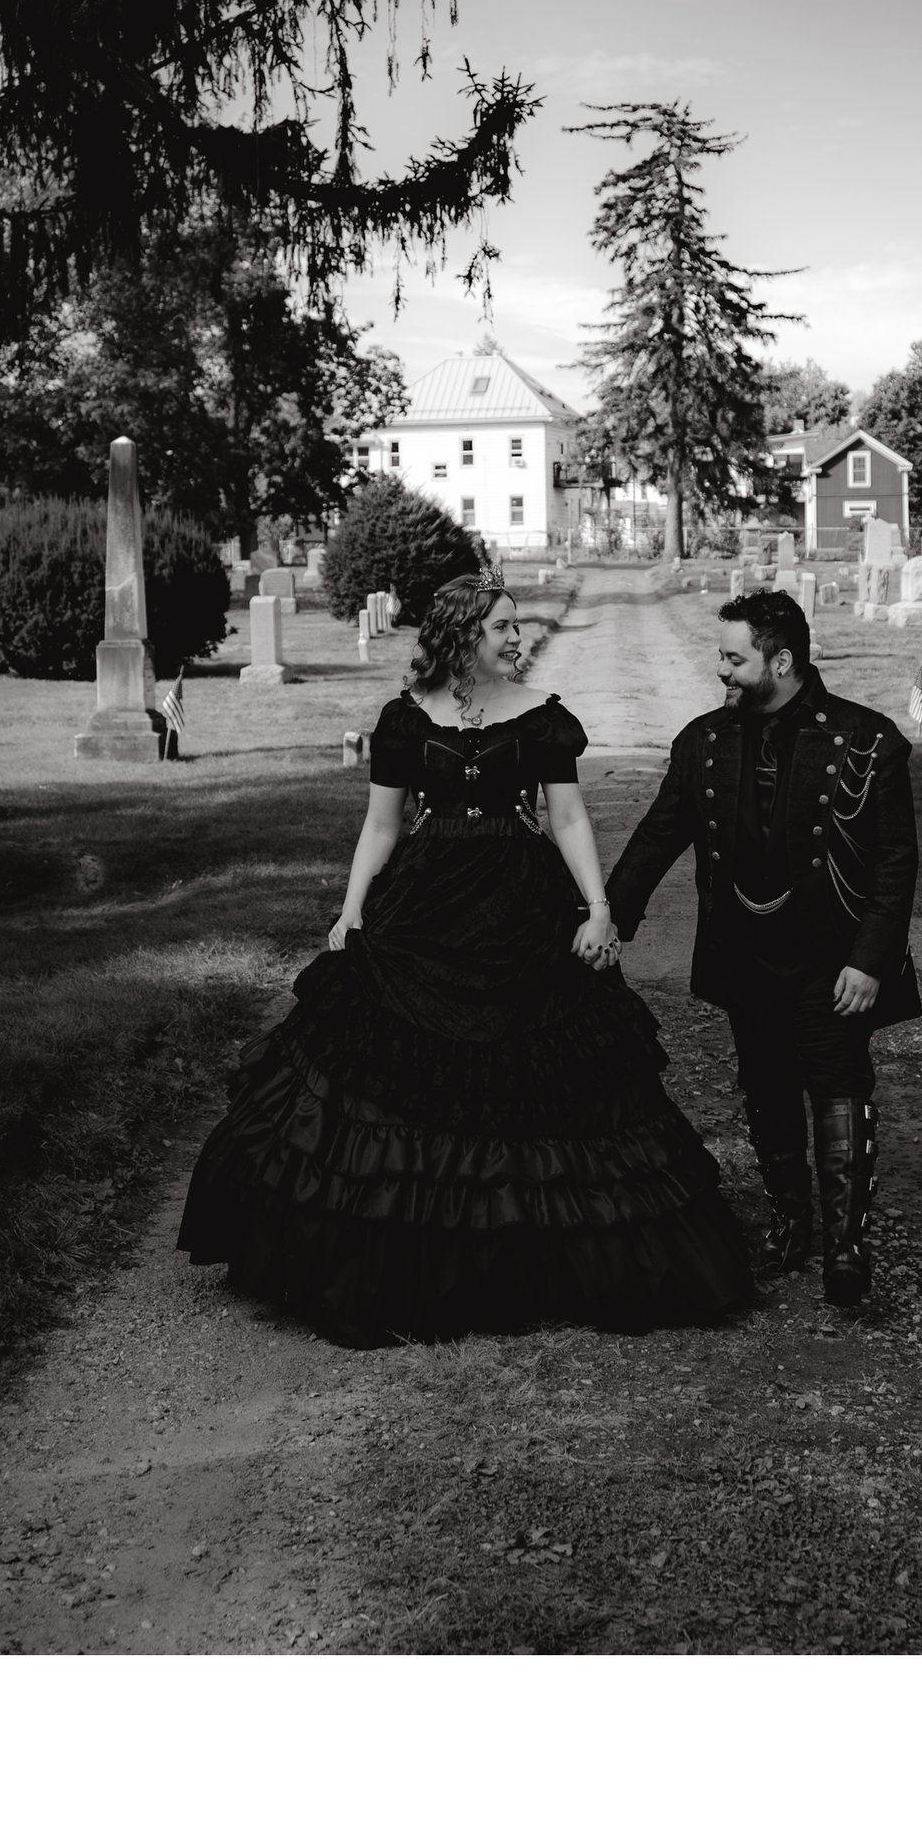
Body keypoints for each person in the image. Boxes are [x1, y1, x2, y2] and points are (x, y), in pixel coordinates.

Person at [176, 571, 755, 1344]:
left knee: (542, 1076)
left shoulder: (546, 721)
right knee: (400, 1066)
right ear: (461, 638)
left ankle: (538, 1253)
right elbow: (382, 827)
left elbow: (571, 818)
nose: (516, 639)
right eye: (502, 628)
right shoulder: (404, 721)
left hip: (523, 901)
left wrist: (598, 908)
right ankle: (418, 1252)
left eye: (516, 627)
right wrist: (351, 910)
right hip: (425, 902)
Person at [602, 588, 920, 1308]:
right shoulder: (705, 742)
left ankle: (846, 1245)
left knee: (838, 1084)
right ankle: (790, 1224)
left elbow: (895, 862)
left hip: (833, 958)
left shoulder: (866, 741)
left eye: (733, 657)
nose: (721, 670)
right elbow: (659, 835)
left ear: (780, 661)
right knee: (766, 1086)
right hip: (746, 952)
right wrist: (611, 918)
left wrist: (871, 960)